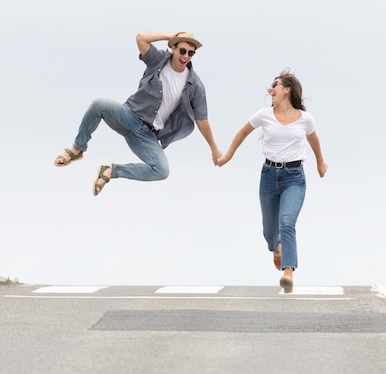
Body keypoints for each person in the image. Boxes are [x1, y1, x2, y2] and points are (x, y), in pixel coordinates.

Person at [54, 31, 222, 196]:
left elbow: (202, 120)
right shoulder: (158, 60)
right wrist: (169, 36)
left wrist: (214, 149)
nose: (185, 56)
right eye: (182, 51)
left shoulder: (195, 85)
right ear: (173, 48)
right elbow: (141, 38)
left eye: (191, 53)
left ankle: (110, 171)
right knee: (98, 104)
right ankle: (77, 149)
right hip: (129, 116)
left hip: (147, 136)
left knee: (162, 170)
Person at [215, 70, 328, 293]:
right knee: (269, 232)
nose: (270, 89)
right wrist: (227, 155)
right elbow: (243, 131)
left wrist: (320, 162)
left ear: (286, 89)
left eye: (275, 85)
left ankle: (288, 272)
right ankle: (276, 249)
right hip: (268, 176)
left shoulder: (305, 119)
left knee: (287, 222)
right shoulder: (264, 114)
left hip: (294, 178)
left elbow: (314, 139)